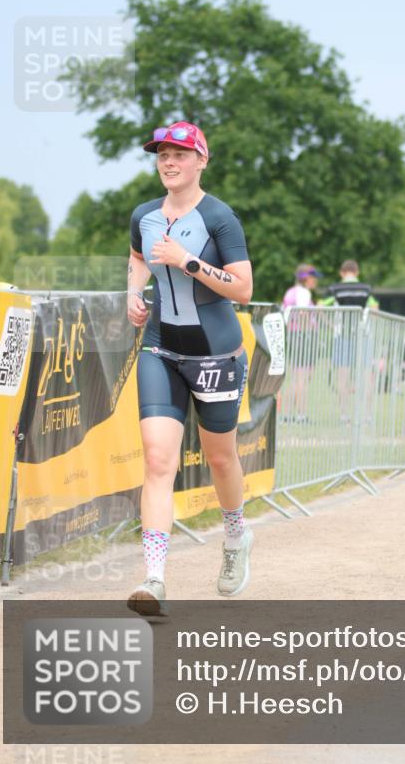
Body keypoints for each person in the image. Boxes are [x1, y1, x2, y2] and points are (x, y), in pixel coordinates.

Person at [126, 121, 254, 614]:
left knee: (220, 458)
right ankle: (154, 578)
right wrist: (133, 296)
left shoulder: (221, 218)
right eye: (162, 154)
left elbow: (242, 288)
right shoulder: (143, 214)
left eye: (179, 153)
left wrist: (188, 262)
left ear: (202, 159)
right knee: (158, 462)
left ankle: (236, 536)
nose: (168, 161)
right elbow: (138, 258)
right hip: (160, 348)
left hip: (216, 354)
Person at [321, 260, 379, 413]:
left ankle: (344, 414)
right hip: (363, 334)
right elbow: (375, 309)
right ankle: (367, 414)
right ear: (357, 272)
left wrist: (330, 325)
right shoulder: (366, 289)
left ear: (342, 272)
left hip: (342, 335)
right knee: (367, 377)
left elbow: (320, 306)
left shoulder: (335, 289)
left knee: (342, 378)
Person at [281, 264, 321, 422]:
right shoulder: (304, 292)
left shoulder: (291, 291)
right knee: (302, 378)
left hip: (294, 335)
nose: (316, 281)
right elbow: (303, 314)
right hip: (303, 336)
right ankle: (301, 414)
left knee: (297, 378)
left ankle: (287, 413)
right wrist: (308, 332)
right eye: (313, 277)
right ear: (306, 278)